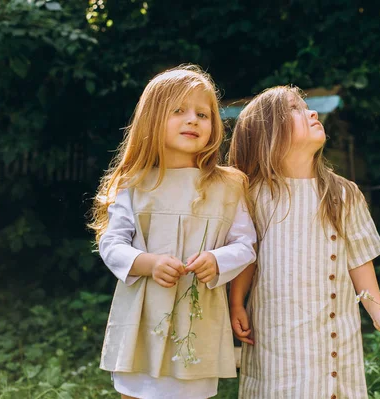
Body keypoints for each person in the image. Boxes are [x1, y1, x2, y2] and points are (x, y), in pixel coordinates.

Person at [228, 86, 380, 399]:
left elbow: (359, 260)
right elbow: (247, 254)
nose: (312, 112)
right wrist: (236, 301)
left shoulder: (343, 194)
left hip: (335, 339)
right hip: (277, 337)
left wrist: (379, 313)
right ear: (267, 134)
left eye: (307, 106)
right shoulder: (253, 196)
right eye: (296, 109)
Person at [88, 65, 256, 399]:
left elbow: (246, 244)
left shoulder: (229, 186)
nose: (193, 119)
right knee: (137, 390)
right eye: (178, 110)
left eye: (203, 114)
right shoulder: (134, 184)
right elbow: (111, 243)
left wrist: (217, 259)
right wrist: (147, 263)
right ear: (151, 120)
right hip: (142, 320)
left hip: (198, 320)